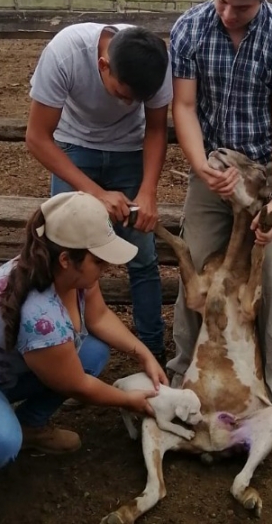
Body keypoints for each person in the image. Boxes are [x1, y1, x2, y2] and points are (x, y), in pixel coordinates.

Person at [0, 191, 167, 524]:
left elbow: (97, 318)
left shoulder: (67, 272)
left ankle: (29, 426)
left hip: (2, 370)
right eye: (98, 260)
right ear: (68, 259)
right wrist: (130, 401)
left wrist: (143, 353)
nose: (105, 267)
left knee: (93, 351)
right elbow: (78, 386)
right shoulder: (41, 315)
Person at [166, 0, 272, 405]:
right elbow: (184, 107)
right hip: (214, 168)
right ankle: (182, 382)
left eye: (242, 7)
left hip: (267, 171)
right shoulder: (189, 29)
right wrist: (201, 167)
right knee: (196, 273)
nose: (228, 13)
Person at [26, 23, 172, 366]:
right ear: (103, 65)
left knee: (143, 256)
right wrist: (95, 193)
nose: (128, 103)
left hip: (129, 152)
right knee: (64, 251)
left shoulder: (157, 64)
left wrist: (148, 191)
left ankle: (154, 353)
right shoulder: (65, 54)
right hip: (74, 146)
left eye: (137, 100)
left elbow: (154, 129)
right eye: (123, 94)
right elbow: (37, 137)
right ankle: (65, 352)